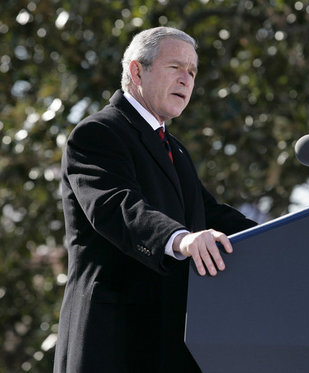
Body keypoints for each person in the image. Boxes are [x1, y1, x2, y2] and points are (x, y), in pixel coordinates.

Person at [53, 26, 257, 372]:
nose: (186, 80)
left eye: (192, 72)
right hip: (114, 341)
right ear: (137, 71)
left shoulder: (173, 147)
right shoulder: (98, 133)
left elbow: (210, 214)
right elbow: (116, 205)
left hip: (168, 342)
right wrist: (180, 239)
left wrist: (283, 235)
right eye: (175, 67)